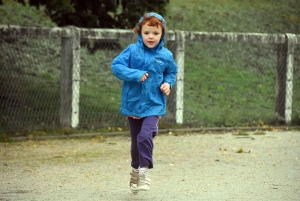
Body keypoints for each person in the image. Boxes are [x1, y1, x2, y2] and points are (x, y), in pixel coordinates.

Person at [111, 12, 178, 193]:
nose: (151, 36)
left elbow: (171, 72)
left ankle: (144, 172)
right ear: (140, 32)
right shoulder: (132, 51)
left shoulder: (166, 55)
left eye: (155, 33)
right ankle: (134, 169)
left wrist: (167, 83)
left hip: (154, 104)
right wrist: (136, 74)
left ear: (162, 34)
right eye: (147, 32)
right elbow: (116, 66)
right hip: (133, 103)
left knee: (144, 136)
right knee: (136, 143)